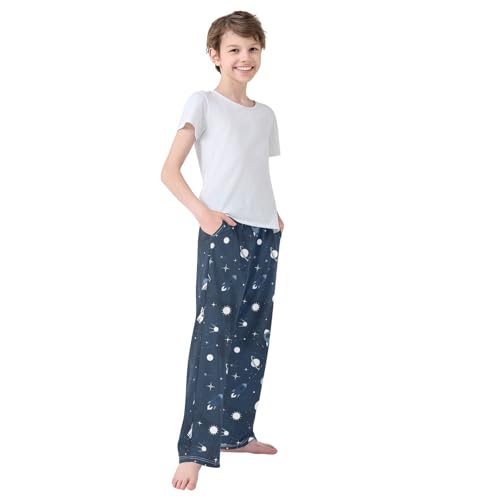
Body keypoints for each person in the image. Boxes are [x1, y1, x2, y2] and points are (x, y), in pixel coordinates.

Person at [160, 10, 284, 491]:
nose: (244, 58)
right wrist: (205, 215)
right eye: (234, 49)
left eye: (252, 48)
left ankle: (236, 433)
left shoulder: (265, 114)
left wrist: (273, 215)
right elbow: (169, 171)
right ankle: (195, 449)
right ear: (215, 55)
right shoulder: (203, 102)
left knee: (252, 337)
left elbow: (251, 169)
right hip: (224, 231)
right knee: (214, 337)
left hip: (264, 232)